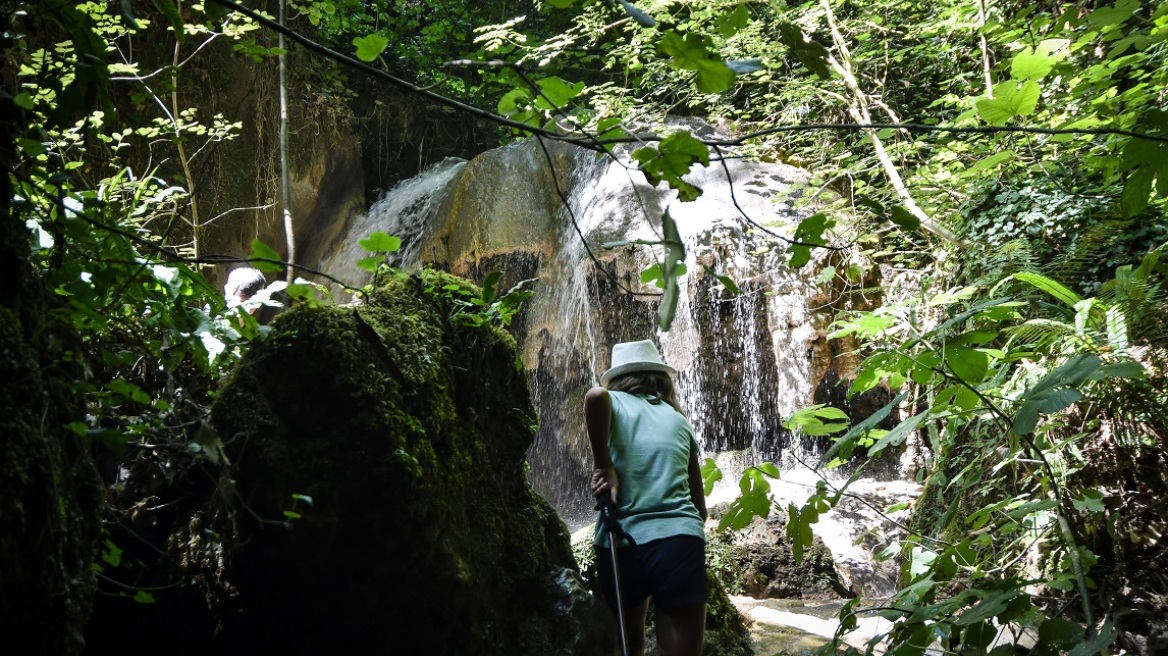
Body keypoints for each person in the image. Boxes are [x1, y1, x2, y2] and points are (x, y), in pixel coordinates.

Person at [586, 339, 708, 656]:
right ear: (661, 379)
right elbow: (700, 508)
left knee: (626, 642)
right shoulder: (679, 420)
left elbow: (594, 394)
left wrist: (604, 465)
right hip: (679, 540)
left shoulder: (610, 402)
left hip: (622, 541)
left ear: (617, 379)